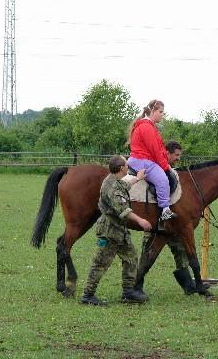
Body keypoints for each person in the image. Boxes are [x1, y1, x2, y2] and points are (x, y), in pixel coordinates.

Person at [80, 155, 152, 306]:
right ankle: (88, 295)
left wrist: (137, 178)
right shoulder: (111, 187)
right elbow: (123, 209)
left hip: (119, 230)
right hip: (109, 231)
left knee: (131, 258)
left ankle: (128, 292)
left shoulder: (115, 180)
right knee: (100, 263)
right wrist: (141, 220)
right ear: (122, 168)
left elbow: (125, 186)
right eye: (127, 164)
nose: (128, 165)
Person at [138, 141, 197, 295]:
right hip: (157, 224)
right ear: (167, 153)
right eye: (176, 155)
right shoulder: (157, 171)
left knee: (180, 250)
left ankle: (189, 286)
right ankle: (136, 284)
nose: (178, 158)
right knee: (148, 253)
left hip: (173, 223)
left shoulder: (171, 172)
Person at [126, 100, 177, 221]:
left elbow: (160, 149)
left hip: (144, 159)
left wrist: (165, 162)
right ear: (153, 111)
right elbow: (155, 150)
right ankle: (165, 210)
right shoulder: (146, 127)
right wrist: (165, 167)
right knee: (163, 180)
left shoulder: (150, 126)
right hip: (142, 160)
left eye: (163, 112)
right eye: (160, 112)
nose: (162, 115)